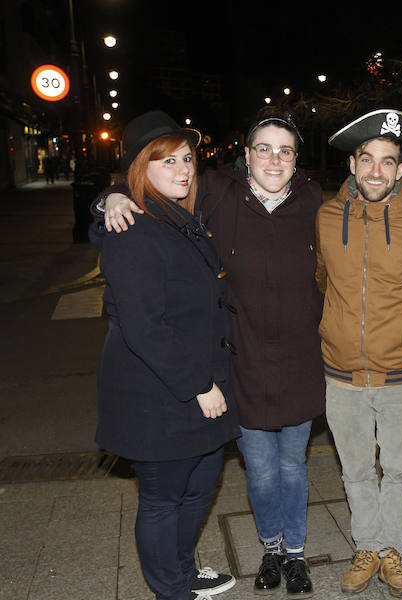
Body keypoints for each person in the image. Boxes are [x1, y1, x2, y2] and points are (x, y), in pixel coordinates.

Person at [98, 112, 325, 597]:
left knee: (252, 473)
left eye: (285, 150)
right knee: (235, 475)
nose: (274, 158)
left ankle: (270, 556)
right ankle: (190, 578)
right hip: (225, 369)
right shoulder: (214, 195)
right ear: (245, 154)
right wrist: (111, 196)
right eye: (263, 147)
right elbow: (143, 312)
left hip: (286, 362)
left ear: (297, 160)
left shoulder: (312, 201)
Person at [90, 110, 239, 600]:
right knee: (162, 499)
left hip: (197, 384)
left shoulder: (179, 218)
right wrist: (199, 386)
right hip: (160, 393)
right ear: (138, 169)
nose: (182, 169)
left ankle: (179, 572)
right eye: (166, 161)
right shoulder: (132, 228)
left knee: (200, 488)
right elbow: (145, 327)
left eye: (187, 158)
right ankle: (170, 591)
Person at [317, 109, 402, 598]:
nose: (376, 171)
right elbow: (322, 280)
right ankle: (367, 545)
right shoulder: (324, 217)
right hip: (341, 371)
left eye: (388, 161)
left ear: (401, 170)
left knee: (399, 468)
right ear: (352, 165)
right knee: (356, 467)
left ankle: (392, 550)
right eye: (367, 160)